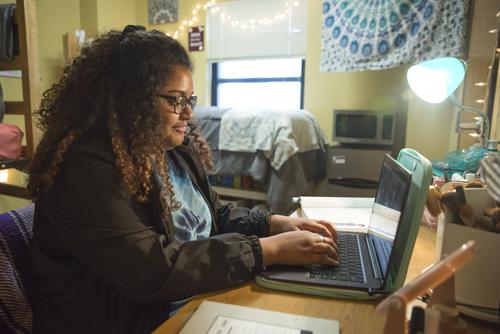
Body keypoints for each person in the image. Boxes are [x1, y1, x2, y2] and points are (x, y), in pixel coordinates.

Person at [28, 25, 339, 334]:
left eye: (190, 100)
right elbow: (151, 270)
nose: (188, 113)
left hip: (189, 301)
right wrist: (266, 250)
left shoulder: (171, 149)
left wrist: (273, 223)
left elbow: (216, 214)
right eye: (175, 100)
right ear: (131, 100)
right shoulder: (84, 169)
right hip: (136, 322)